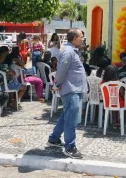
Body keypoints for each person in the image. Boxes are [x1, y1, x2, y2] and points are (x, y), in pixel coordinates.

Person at [48, 28, 87, 159]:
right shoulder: (68, 52)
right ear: (74, 38)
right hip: (71, 90)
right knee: (71, 119)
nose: (83, 39)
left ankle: (53, 139)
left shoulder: (72, 51)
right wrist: (57, 84)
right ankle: (70, 147)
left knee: (66, 116)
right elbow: (61, 71)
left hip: (75, 89)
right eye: (81, 37)